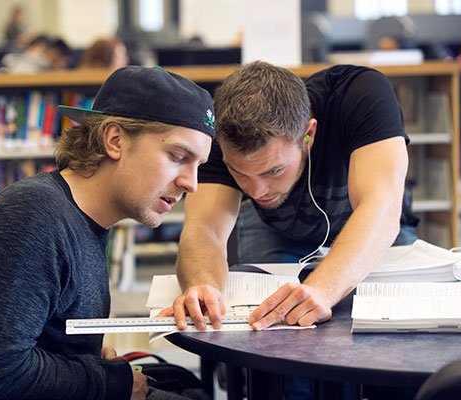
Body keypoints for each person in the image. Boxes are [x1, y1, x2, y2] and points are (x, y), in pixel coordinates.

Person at [0, 66, 215, 399]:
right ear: (115, 140)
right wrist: (110, 382)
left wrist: (88, 360)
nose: (191, 184)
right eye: (179, 157)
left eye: (199, 166)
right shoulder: (34, 217)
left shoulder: (82, 221)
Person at [165, 61, 417, 332]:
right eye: (239, 173)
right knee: (271, 335)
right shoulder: (217, 131)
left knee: (398, 329)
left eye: (273, 171)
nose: (257, 191)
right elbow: (204, 230)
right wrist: (203, 285)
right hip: (278, 229)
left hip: (374, 227)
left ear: (308, 134)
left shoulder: (361, 94)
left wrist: (322, 289)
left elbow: (381, 207)